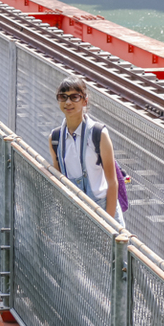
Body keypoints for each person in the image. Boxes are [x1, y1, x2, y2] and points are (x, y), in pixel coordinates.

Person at [48, 76, 126, 227]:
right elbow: (59, 181)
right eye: (63, 97)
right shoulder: (55, 139)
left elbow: (112, 182)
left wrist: (107, 225)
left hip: (105, 211)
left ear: (85, 101)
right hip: (76, 215)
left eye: (74, 97)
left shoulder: (98, 134)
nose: (68, 102)